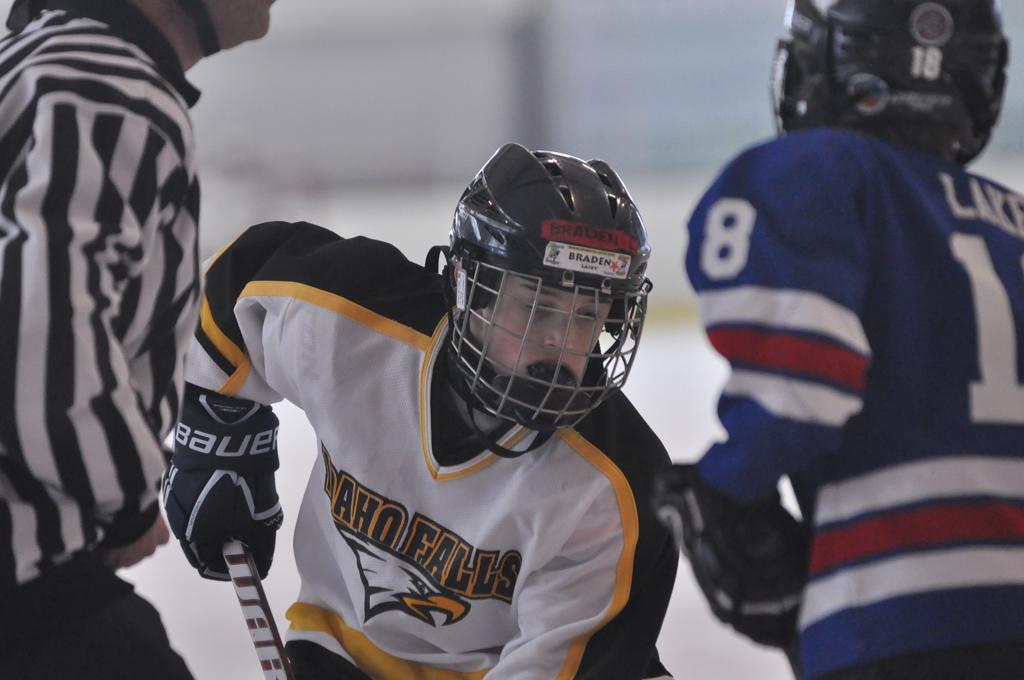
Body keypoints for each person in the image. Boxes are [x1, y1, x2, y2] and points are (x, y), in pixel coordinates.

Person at [162, 142, 679, 679]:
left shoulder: (614, 489)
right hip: (343, 651)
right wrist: (217, 432)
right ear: (466, 285)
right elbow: (227, 291)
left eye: (587, 315)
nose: (558, 342)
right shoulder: (350, 325)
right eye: (537, 305)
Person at [653, 1, 1024, 679]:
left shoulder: (814, 173)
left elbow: (804, 385)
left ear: (827, 62)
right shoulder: (1014, 225)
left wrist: (726, 489)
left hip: (897, 619)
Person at [0, 1, 274, 678]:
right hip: (29, 588)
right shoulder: (107, 90)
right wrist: (124, 503)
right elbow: (41, 347)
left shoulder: (60, 64)